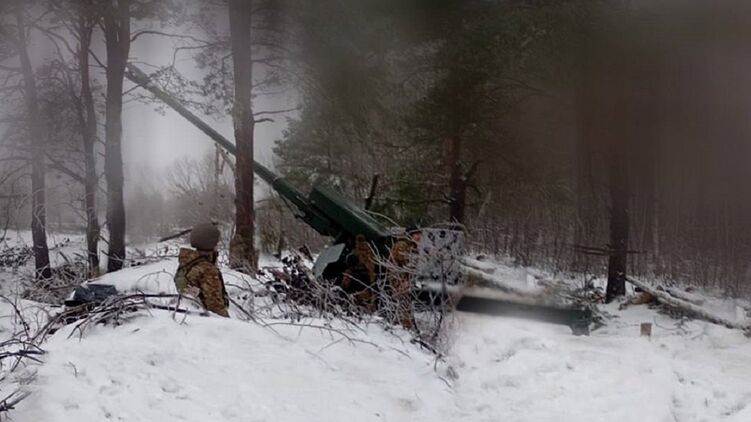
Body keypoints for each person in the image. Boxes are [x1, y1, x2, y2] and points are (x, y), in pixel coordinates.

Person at [175, 223, 229, 317]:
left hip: (190, 316)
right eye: (216, 242)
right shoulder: (207, 270)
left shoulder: (188, 262)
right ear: (211, 243)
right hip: (206, 322)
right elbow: (216, 309)